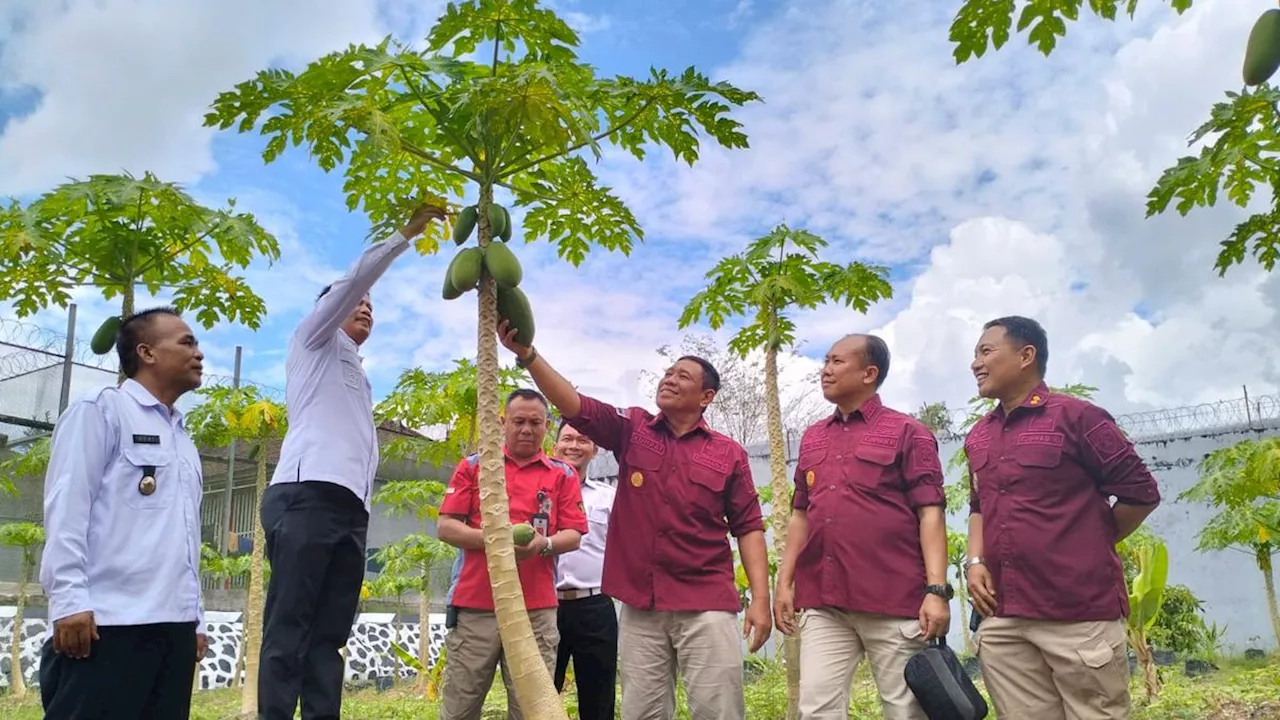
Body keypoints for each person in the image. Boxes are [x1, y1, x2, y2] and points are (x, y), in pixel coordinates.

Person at [498, 321, 773, 720]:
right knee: (641, 713)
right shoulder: (635, 429)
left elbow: (748, 527)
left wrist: (760, 602)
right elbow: (575, 404)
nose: (670, 379)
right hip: (641, 607)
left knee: (718, 711)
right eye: (668, 372)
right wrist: (528, 355)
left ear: (706, 396)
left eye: (683, 376)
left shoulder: (728, 453)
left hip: (706, 605)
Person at [257, 204, 444, 720]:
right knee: (289, 625)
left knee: (330, 633)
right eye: (356, 302)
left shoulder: (357, 374)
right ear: (330, 309)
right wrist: (404, 234)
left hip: (348, 508)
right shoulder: (312, 341)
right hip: (306, 495)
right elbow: (350, 281)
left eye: (370, 306)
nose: (366, 308)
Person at [963, 316, 1161, 719]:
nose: (975, 364)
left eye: (986, 351)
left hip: (1078, 614)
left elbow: (1141, 493)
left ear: (1026, 356)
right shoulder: (978, 436)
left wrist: (1087, 542)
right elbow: (978, 506)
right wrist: (975, 561)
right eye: (975, 354)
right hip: (1003, 618)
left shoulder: (1080, 418)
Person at [38, 307, 208, 719]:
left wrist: (195, 619)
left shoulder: (184, 438)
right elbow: (67, 507)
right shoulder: (101, 411)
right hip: (106, 625)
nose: (199, 353)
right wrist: (69, 601)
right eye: (187, 342)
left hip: (173, 629)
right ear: (147, 352)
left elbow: (186, 537)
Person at [774, 334, 950, 720]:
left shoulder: (908, 433)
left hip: (894, 600)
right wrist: (784, 582)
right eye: (826, 361)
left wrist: (937, 590)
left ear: (869, 373)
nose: (826, 370)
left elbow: (930, 512)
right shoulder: (813, 436)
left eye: (837, 362)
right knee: (815, 710)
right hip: (824, 602)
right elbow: (802, 513)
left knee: (905, 710)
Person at [436, 389, 588, 720]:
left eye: (535, 422)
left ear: (547, 426)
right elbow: (447, 527)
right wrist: (496, 541)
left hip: (536, 610)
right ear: (502, 423)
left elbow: (573, 534)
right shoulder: (474, 466)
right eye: (518, 421)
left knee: (531, 709)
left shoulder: (562, 474)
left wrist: (543, 545)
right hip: (475, 606)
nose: (526, 429)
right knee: (461, 704)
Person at [551, 420, 618, 720]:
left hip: (594, 606)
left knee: (597, 698)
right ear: (555, 445)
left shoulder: (609, 497)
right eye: (567, 438)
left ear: (595, 449)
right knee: (535, 694)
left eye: (582, 440)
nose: (573, 446)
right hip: (543, 606)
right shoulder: (536, 493)